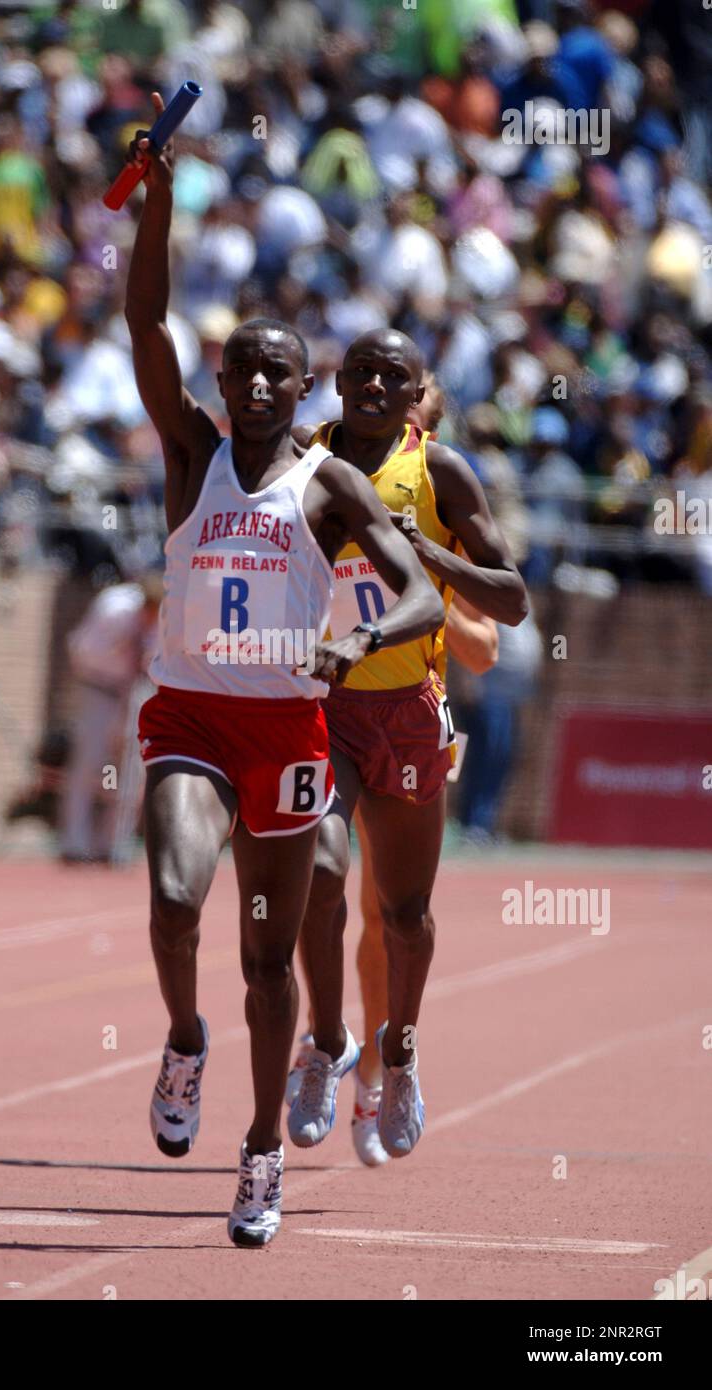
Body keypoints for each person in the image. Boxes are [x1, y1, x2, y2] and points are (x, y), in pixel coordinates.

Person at [124, 97, 445, 1247]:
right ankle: (181, 1040)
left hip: (291, 735)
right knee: (170, 896)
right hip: (194, 717)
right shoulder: (192, 454)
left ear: (300, 393)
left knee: (270, 957)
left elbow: (415, 586)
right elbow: (144, 316)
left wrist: (359, 639)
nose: (258, 387)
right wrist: (158, 197)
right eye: (243, 370)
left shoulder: (324, 487)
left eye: (278, 376)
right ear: (222, 379)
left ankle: (261, 1150)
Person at [284, 328, 528, 1166]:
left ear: (419, 392)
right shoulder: (298, 459)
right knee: (319, 872)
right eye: (362, 372)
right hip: (318, 703)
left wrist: (418, 554)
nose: (377, 386)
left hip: (408, 712)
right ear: (335, 382)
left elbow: (508, 610)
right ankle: (323, 1043)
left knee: (399, 921)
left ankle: (396, 1055)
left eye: (397, 376)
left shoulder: (439, 473)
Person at [60, 571, 163, 865]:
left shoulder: (167, 617)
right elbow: (81, 651)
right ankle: (75, 844)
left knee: (131, 769)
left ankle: (114, 844)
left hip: (138, 690)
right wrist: (119, 650)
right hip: (101, 688)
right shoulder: (113, 608)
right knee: (87, 763)